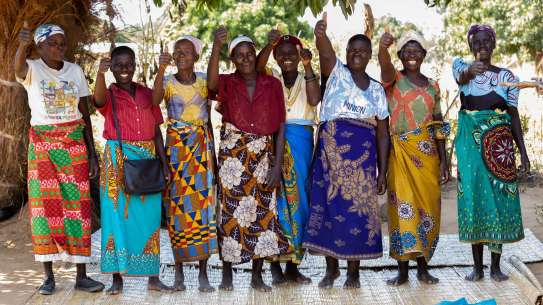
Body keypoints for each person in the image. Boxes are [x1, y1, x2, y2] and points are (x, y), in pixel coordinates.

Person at [14, 23, 104, 295]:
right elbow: (18, 69)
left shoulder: (74, 71)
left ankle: (81, 275)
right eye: (53, 43)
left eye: (62, 43)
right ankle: (48, 277)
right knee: (43, 208)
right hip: (42, 146)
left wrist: (92, 154)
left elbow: (85, 114)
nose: (59, 48)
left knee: (78, 208)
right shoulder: (32, 69)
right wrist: (20, 45)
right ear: (40, 46)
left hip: (73, 145)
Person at [302, 13, 390, 289]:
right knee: (328, 209)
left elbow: (383, 133)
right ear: (347, 53)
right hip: (330, 155)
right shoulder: (336, 73)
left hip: (362, 161)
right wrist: (320, 35)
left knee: (358, 213)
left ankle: (353, 272)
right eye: (352, 50)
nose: (356, 54)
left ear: (369, 56)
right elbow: (325, 54)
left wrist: (382, 172)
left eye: (362, 51)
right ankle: (331, 270)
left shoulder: (377, 91)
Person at [208, 27, 292, 292]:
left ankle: (257, 275)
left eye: (249, 54)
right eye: (239, 55)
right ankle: (227, 271)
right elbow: (210, 85)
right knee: (230, 213)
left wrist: (277, 166)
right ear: (232, 60)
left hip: (263, 155)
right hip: (233, 156)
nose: (245, 59)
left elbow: (280, 126)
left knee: (263, 214)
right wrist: (215, 47)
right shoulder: (227, 83)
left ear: (256, 56)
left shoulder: (272, 84)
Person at [452, 24, 530, 282]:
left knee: (499, 200)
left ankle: (495, 266)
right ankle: (477, 267)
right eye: (476, 42)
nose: (482, 46)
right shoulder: (460, 67)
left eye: (487, 41)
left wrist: (524, 154)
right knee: (473, 200)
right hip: (470, 148)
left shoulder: (507, 76)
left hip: (500, 147)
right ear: (470, 46)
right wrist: (468, 71)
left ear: (494, 44)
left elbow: (513, 116)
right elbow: (462, 77)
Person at [93, 46, 171, 293]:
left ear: (135, 65)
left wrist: (164, 162)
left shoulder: (148, 94)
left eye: (129, 64)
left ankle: (153, 277)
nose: (124, 69)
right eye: (119, 65)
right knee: (115, 216)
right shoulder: (109, 94)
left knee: (148, 218)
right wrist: (100, 74)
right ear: (112, 67)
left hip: (147, 158)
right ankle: (117, 277)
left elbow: (157, 130)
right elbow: (97, 100)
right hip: (116, 158)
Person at [378, 30, 450, 286]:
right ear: (400, 55)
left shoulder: (433, 87)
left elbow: (439, 124)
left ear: (423, 55)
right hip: (399, 155)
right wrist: (382, 48)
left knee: (427, 209)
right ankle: (402, 270)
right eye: (406, 51)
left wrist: (444, 159)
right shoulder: (392, 80)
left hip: (428, 156)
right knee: (401, 210)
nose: (411, 55)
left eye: (416, 51)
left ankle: (423, 267)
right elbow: (384, 66)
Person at [152, 36, 217, 293]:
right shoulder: (167, 82)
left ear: (196, 57)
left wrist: (214, 155)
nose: (181, 55)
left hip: (201, 151)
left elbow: (209, 118)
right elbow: (153, 101)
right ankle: (179, 272)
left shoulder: (203, 82)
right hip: (176, 152)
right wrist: (160, 69)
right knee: (177, 213)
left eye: (187, 52)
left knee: (203, 211)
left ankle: (203, 273)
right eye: (178, 51)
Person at [255, 30, 320, 285]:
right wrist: (268, 43)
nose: (287, 57)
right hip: (274, 139)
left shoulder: (308, 77)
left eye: (291, 53)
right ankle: (274, 265)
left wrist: (308, 64)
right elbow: (259, 66)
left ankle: (293, 265)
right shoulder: (271, 79)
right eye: (280, 54)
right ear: (275, 57)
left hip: (302, 139)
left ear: (299, 54)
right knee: (275, 198)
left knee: (300, 198)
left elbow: (314, 99)